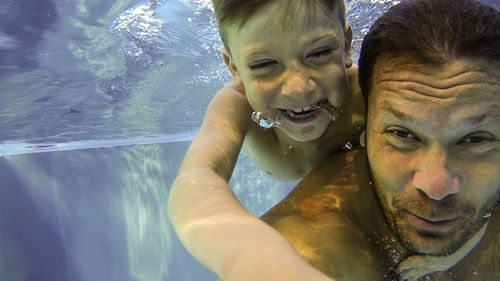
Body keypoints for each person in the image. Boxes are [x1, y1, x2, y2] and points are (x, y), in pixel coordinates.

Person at [262, 0, 500, 280]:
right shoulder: (310, 244)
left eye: (475, 140)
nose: (436, 187)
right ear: (365, 126)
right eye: (402, 134)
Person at [168, 0, 365, 280]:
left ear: (346, 46)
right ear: (233, 67)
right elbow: (197, 176)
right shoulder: (236, 105)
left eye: (320, 53)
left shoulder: (369, 96)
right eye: (263, 64)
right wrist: (249, 255)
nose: (298, 89)